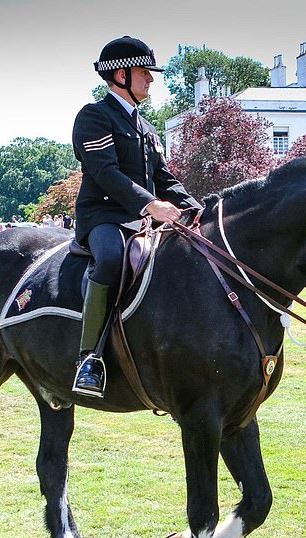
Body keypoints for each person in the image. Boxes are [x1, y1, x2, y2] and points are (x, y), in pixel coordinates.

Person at [71, 35, 202, 397]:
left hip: (141, 220)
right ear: (121, 76)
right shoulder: (94, 116)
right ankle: (90, 360)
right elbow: (106, 173)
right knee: (112, 259)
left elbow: (165, 178)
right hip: (103, 217)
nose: (151, 79)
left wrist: (197, 208)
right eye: (145, 71)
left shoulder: (147, 127)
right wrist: (151, 205)